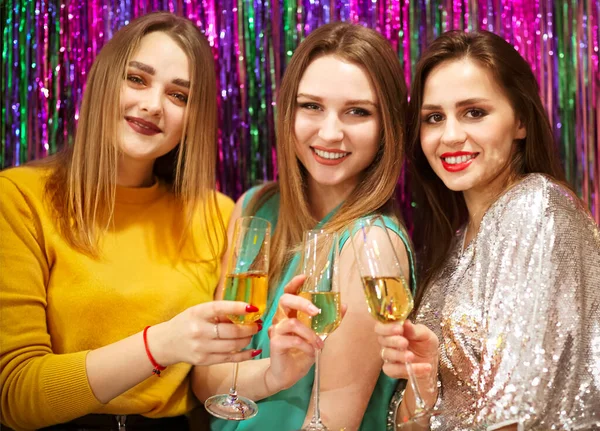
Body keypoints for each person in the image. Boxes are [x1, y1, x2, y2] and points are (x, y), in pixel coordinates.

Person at [0, 12, 321, 431]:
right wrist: (161, 345)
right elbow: (14, 397)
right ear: (104, 80)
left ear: (193, 117)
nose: (152, 105)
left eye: (178, 96)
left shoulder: (217, 214)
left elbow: (214, 378)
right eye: (137, 79)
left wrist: (275, 372)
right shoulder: (19, 197)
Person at [197, 21, 416, 431]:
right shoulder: (256, 207)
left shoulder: (373, 242)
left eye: (358, 111)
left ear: (387, 127)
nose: (330, 133)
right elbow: (205, 379)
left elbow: (332, 421)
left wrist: (247, 376)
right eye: (311, 106)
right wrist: (274, 374)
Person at [376, 30, 600, 430]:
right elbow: (412, 423)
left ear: (521, 121)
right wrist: (424, 377)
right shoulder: (455, 245)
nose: (450, 136)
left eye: (474, 112)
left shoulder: (537, 208)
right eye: (434, 117)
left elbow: (518, 413)